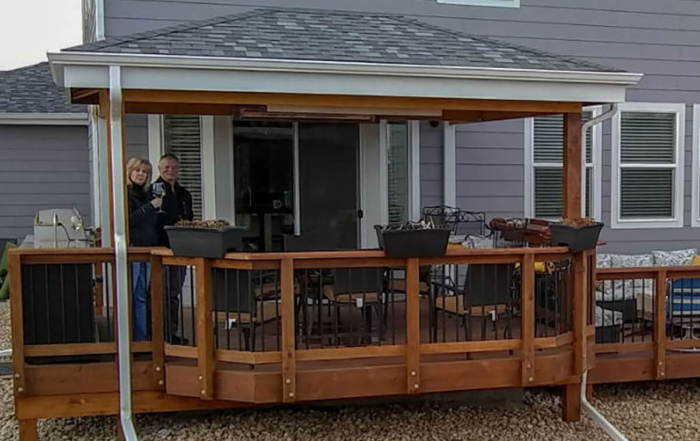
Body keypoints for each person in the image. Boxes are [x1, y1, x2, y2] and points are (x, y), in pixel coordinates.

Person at [154, 153, 194, 344]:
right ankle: (157, 335)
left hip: (181, 248)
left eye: (174, 167)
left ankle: (171, 334)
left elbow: (190, 219)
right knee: (159, 293)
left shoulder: (185, 194)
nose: (170, 171)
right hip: (161, 249)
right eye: (166, 167)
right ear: (160, 169)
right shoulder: (153, 191)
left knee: (173, 294)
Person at [126, 157, 161, 341]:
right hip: (133, 251)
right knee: (130, 295)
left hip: (148, 250)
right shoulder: (126, 195)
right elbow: (128, 221)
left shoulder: (149, 195)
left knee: (141, 295)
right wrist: (149, 207)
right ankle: (128, 339)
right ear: (130, 172)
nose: (140, 174)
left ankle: (142, 338)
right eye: (137, 170)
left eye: (145, 172)